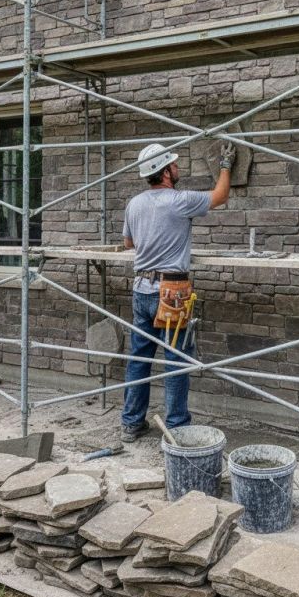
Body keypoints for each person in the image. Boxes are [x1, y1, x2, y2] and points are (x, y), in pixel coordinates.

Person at [120, 141, 237, 441]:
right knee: (174, 361)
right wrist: (225, 165)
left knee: (139, 358)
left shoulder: (134, 204)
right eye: (174, 164)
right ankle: (176, 428)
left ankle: (132, 423)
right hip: (171, 292)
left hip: (141, 290)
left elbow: (128, 245)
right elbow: (220, 196)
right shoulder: (179, 200)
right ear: (166, 172)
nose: (179, 167)